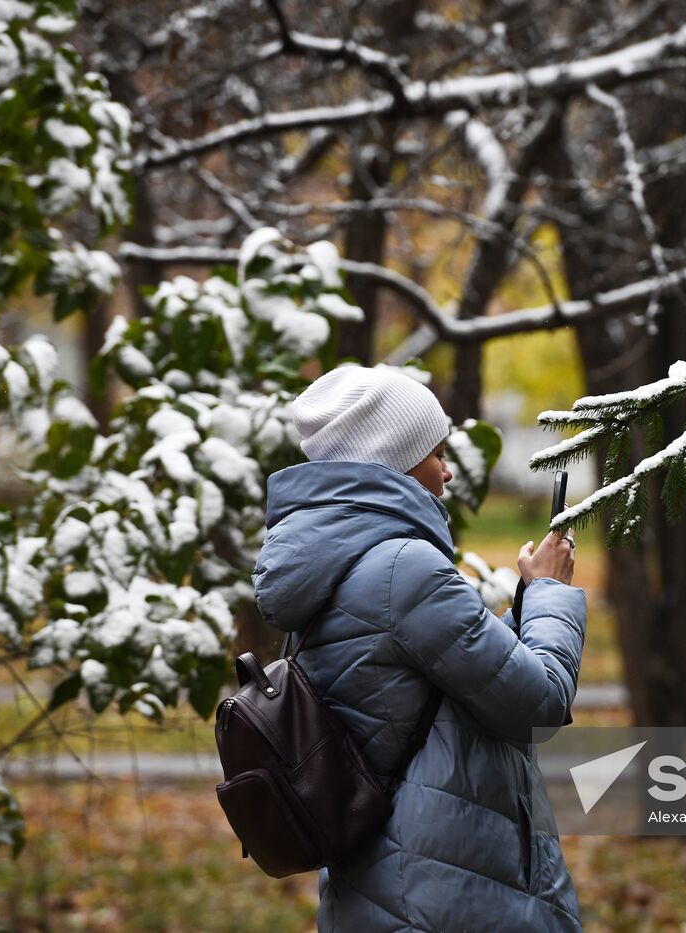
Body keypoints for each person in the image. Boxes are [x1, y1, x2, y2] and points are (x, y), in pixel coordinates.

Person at [251, 364, 587, 932]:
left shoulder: (338, 561)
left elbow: (439, 686)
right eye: (437, 454)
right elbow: (538, 702)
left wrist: (527, 598)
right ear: (395, 462)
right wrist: (554, 593)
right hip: (449, 890)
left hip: (386, 880)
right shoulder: (403, 568)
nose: (449, 472)